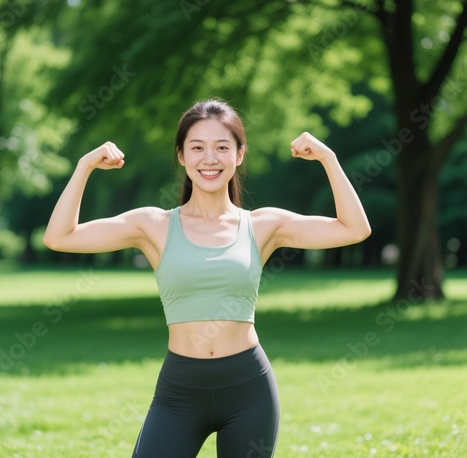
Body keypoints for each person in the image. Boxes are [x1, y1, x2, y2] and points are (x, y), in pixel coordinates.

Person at [43, 98, 371, 457]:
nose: (209, 158)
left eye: (222, 147)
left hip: (249, 388)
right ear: (182, 156)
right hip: (179, 391)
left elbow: (354, 229)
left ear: (239, 154)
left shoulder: (263, 225)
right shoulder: (153, 225)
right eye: (197, 147)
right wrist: (84, 166)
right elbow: (60, 237)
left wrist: (328, 158)